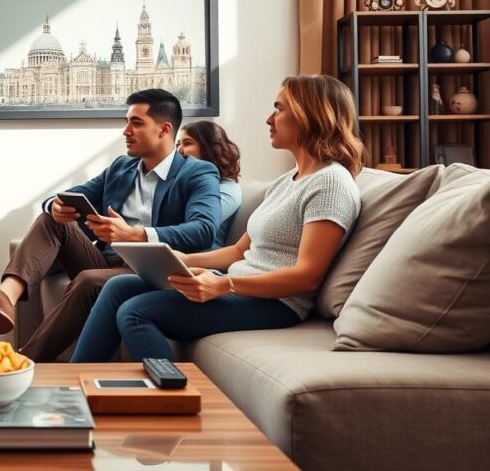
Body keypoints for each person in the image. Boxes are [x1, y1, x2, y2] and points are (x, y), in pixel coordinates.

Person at [71, 74, 364, 362]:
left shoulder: (330, 183)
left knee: (135, 312)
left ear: (310, 115)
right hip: (240, 284)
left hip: (277, 303)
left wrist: (225, 285)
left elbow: (307, 277)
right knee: (118, 286)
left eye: (279, 109)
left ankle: (176, 391)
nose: (269, 119)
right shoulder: (288, 180)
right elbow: (239, 250)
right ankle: (74, 381)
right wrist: (181, 259)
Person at [0, 89, 223, 360]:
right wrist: (55, 206)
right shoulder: (121, 167)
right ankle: (5, 296)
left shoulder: (197, 172)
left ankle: (25, 362)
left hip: (152, 271)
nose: (125, 131)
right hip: (108, 260)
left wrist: (136, 234)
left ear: (164, 129)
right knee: (50, 220)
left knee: (88, 280)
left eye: (136, 123)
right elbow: (67, 197)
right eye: (126, 122)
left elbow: (203, 229)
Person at [176, 121, 242, 249]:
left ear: (209, 147)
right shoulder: (185, 184)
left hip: (200, 257)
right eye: (178, 145)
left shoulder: (228, 188)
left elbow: (194, 227)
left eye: (187, 143)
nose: (179, 150)